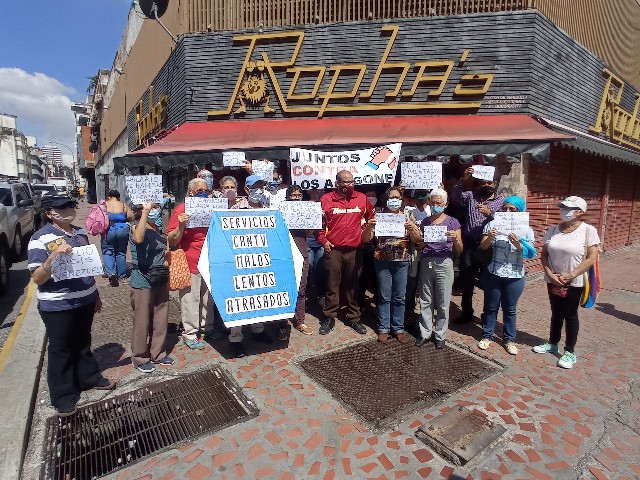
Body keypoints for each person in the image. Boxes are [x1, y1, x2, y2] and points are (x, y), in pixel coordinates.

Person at [28, 197, 115, 417]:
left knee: (83, 342)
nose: (68, 211)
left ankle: (89, 377)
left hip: (84, 299)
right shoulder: (40, 239)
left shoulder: (79, 234)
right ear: (49, 213)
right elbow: (38, 277)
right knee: (61, 349)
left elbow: (86, 270)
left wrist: (95, 295)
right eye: (62, 208)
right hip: (58, 304)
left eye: (71, 207)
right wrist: (52, 259)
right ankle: (63, 395)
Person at [533, 196, 600, 369]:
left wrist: (571, 274)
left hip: (574, 281)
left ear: (580, 212)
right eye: (562, 206)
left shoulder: (588, 230)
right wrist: (549, 273)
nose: (564, 210)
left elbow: (592, 257)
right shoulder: (553, 230)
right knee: (556, 312)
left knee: (570, 315)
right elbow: (544, 255)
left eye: (568, 207)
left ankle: (569, 351)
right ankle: (553, 342)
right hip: (553, 279)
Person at [316, 170, 375, 335]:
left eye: (351, 182)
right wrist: (323, 241)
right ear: (337, 183)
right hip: (333, 249)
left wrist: (367, 231)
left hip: (355, 250)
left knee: (353, 285)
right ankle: (329, 317)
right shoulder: (326, 200)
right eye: (345, 182)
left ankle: (354, 317)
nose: (349, 185)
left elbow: (372, 216)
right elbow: (317, 225)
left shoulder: (362, 199)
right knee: (332, 285)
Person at [362, 187, 422, 343]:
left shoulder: (408, 215)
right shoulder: (378, 215)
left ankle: (398, 327)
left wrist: (412, 228)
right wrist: (369, 226)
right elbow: (366, 239)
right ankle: (383, 327)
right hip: (382, 260)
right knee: (384, 296)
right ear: (387, 199)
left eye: (397, 197)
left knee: (399, 297)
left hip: (402, 260)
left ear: (401, 199)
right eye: (391, 197)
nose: (394, 200)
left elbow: (417, 240)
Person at [477, 196, 535, 355]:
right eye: (505, 209)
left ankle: (509, 339)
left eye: (512, 209)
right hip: (493, 272)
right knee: (491, 306)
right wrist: (489, 236)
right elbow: (483, 246)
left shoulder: (526, 229)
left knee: (510, 309)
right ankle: (487, 335)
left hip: (515, 275)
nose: (508, 212)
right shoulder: (492, 223)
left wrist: (518, 243)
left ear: (520, 211)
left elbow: (531, 254)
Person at [168, 178, 221, 350]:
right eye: (200, 190)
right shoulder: (181, 209)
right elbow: (172, 239)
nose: (204, 193)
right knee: (191, 298)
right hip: (190, 260)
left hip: (210, 259)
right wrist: (182, 225)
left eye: (207, 190)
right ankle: (190, 332)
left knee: (208, 298)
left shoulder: (214, 208)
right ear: (191, 192)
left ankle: (207, 327)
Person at [228, 175, 274, 357]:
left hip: (262, 259)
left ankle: (258, 329)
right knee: (240, 298)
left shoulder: (268, 208)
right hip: (241, 261)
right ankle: (236, 338)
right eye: (254, 187)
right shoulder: (235, 209)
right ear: (246, 190)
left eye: (261, 186)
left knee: (259, 295)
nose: (259, 190)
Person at [451, 166, 505, 323]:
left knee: (488, 281)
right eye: (482, 183)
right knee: (467, 279)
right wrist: (464, 179)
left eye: (488, 182)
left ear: (495, 183)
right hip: (469, 244)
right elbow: (455, 196)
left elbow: (508, 220)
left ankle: (488, 315)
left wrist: (491, 214)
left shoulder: (501, 201)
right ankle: (466, 313)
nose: (485, 185)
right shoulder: (471, 196)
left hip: (489, 246)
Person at [415, 188, 463, 349]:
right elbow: (420, 246)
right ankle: (425, 332)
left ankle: (440, 334)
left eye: (439, 203)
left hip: (444, 262)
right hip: (427, 261)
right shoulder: (425, 222)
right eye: (433, 202)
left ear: (445, 204)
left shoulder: (453, 222)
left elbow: (460, 249)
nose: (435, 205)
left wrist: (456, 239)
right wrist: (422, 241)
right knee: (426, 299)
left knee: (442, 301)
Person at [130, 202, 173, 373]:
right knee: (142, 320)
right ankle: (140, 358)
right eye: (150, 207)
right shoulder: (135, 227)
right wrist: (146, 213)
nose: (155, 210)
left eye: (156, 207)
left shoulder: (157, 229)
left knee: (160, 318)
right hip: (143, 280)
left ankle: (158, 353)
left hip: (160, 278)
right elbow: (138, 239)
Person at [283, 185, 314, 335]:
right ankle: (282, 321)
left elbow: (308, 234)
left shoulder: (306, 211)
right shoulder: (281, 212)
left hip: (302, 253)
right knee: (285, 288)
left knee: (301, 289)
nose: (296, 197)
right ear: (288, 197)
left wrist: (313, 219)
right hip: (285, 254)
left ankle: (300, 320)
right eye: (293, 195)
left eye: (299, 195)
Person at [405, 190, 432, 316]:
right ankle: (410, 309)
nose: (421, 199)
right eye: (418, 197)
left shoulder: (433, 210)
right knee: (412, 281)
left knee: (427, 283)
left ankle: (427, 311)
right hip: (414, 251)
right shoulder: (409, 211)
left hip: (429, 251)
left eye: (424, 197)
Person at [103, 190, 134, 287]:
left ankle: (111, 274)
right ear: (118, 197)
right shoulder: (123, 205)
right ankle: (122, 276)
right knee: (120, 252)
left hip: (108, 230)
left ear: (109, 197)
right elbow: (131, 217)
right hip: (122, 229)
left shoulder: (104, 205)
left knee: (108, 251)